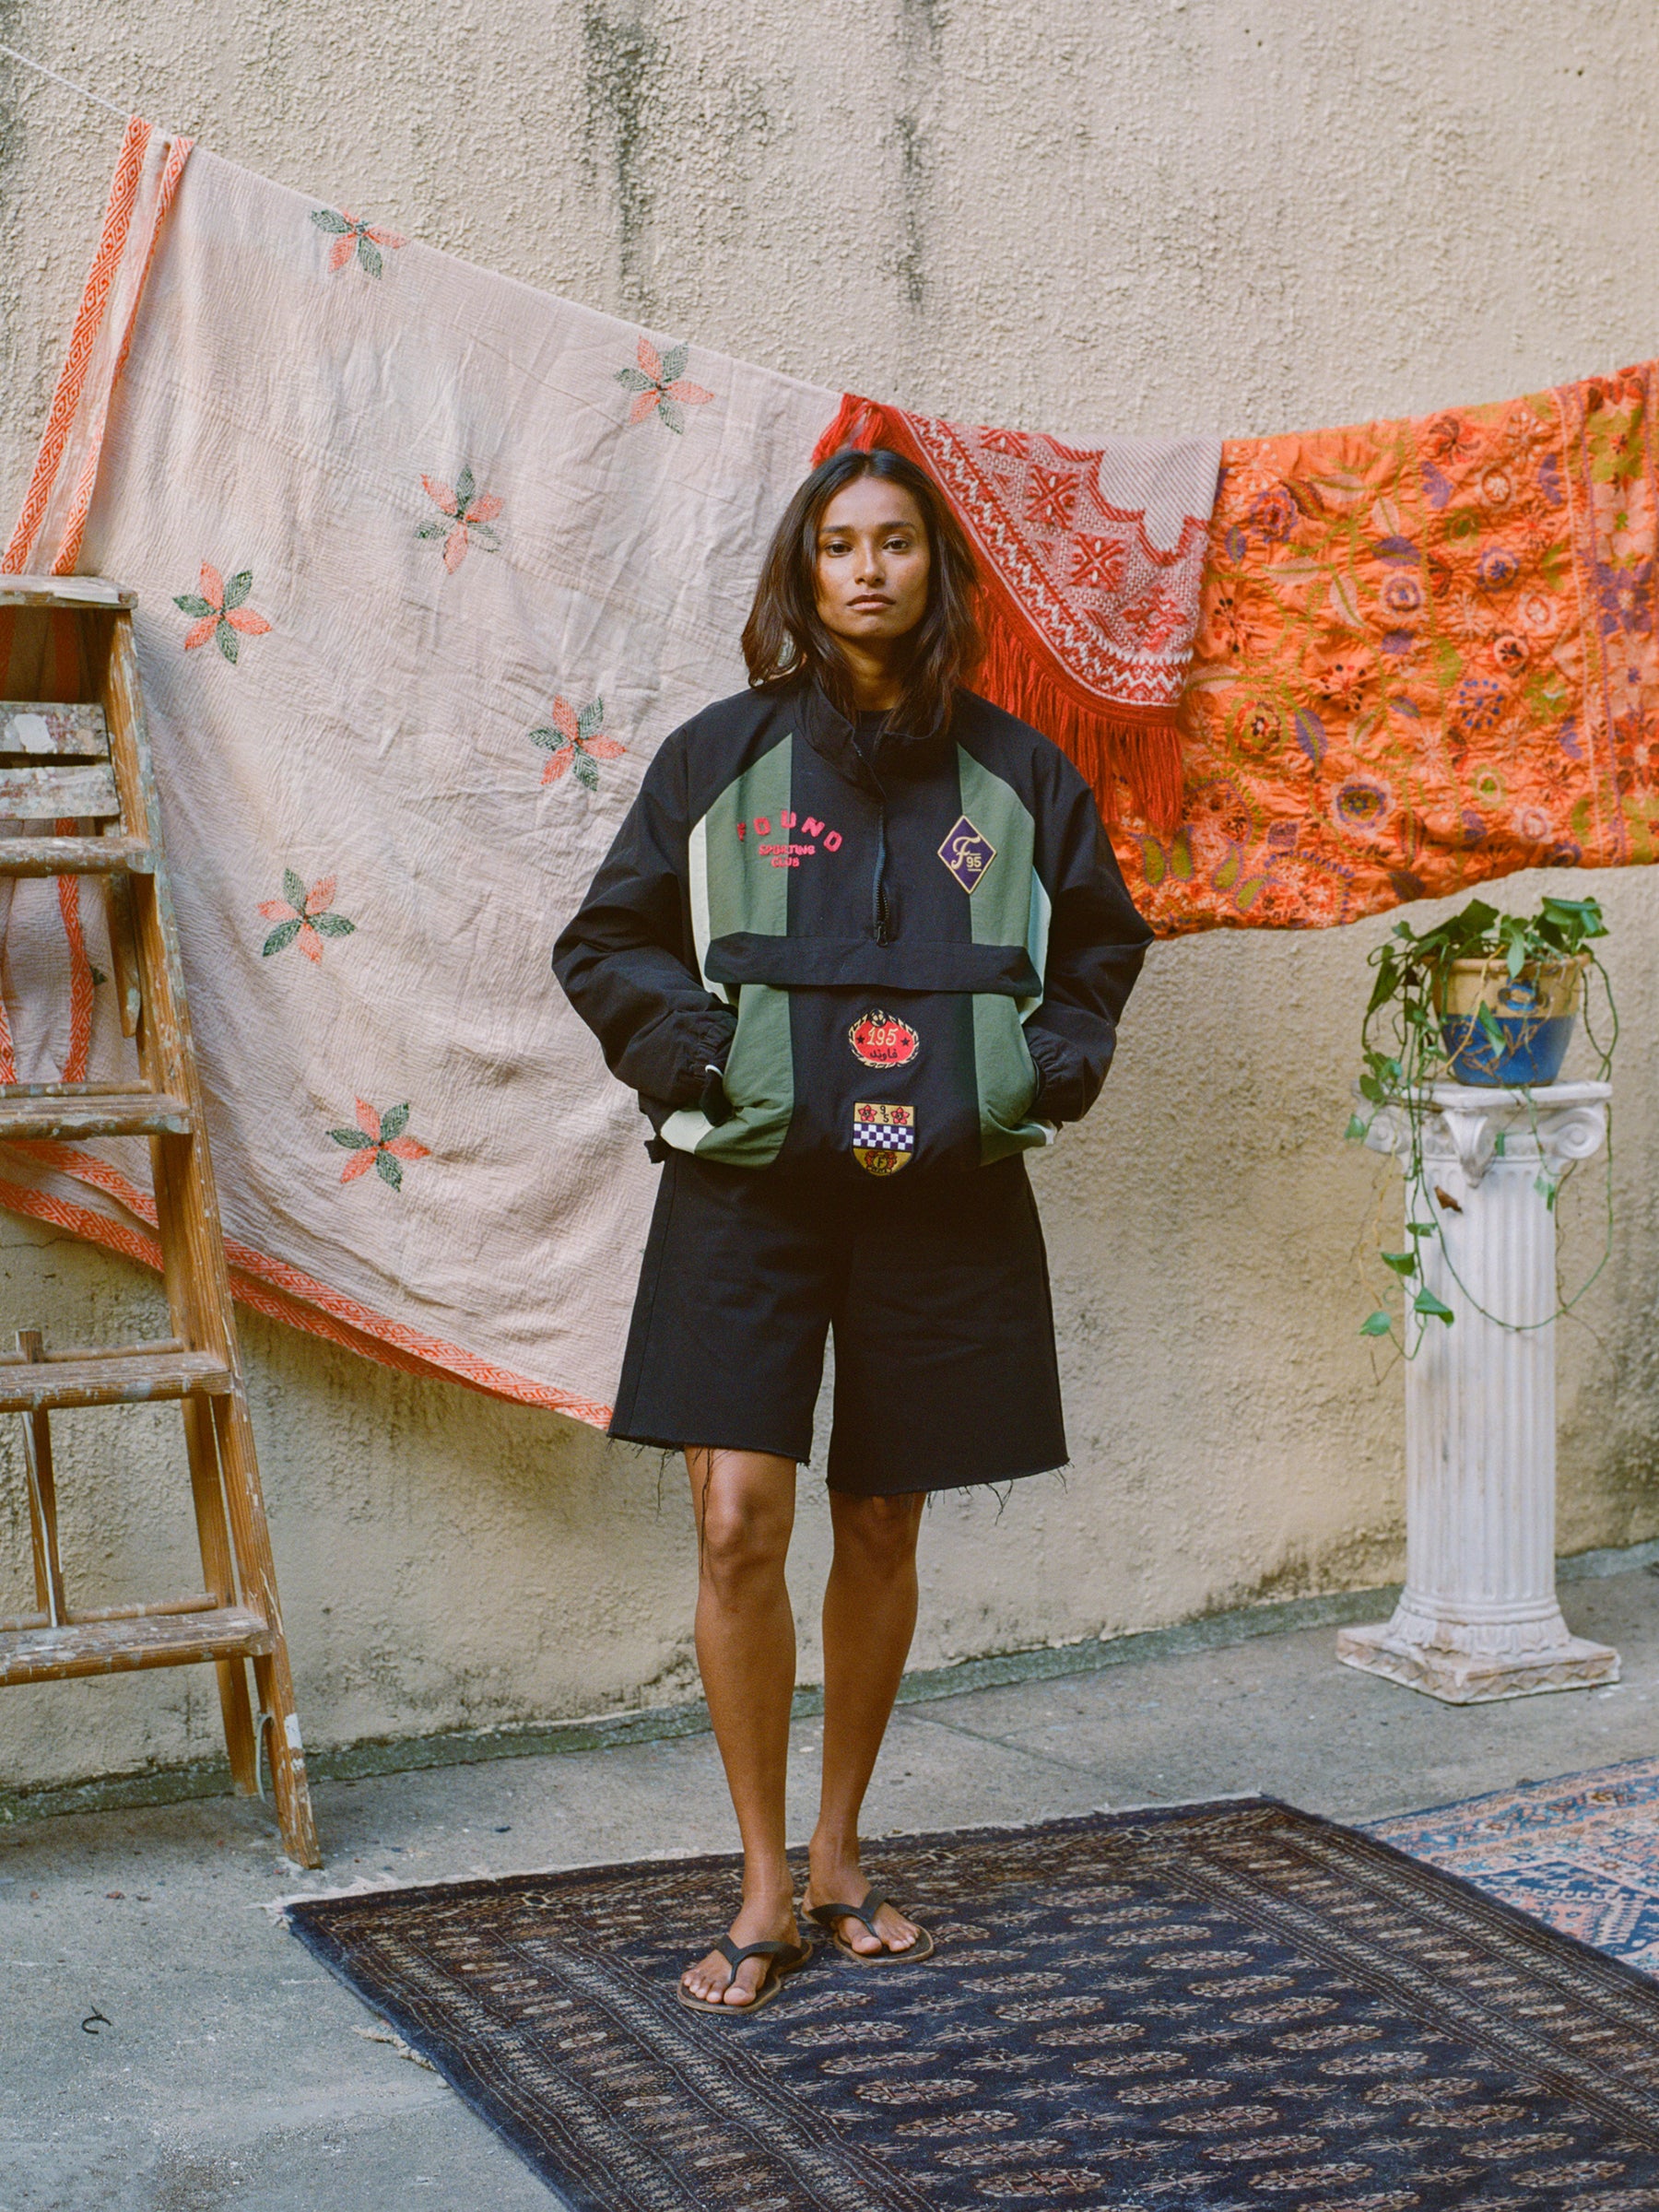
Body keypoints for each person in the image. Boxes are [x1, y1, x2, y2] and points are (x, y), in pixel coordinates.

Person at [553, 445, 1153, 2014]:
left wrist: (1048, 1066)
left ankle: (837, 1855)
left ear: (934, 572)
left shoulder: (1021, 775)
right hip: (747, 1194)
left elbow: (1097, 941)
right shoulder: (717, 760)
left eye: (896, 543)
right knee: (738, 1515)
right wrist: (700, 1061)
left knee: (883, 1519)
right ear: (803, 575)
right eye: (839, 546)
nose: (869, 569)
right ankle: (759, 1882)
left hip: (941, 1201)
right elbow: (606, 936)